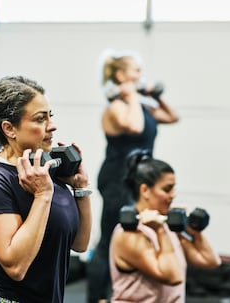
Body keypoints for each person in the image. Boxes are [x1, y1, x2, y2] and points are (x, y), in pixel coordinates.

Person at [0, 75, 92, 303]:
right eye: (40, 119)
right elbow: (16, 266)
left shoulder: (42, 170)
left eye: (50, 116)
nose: (52, 125)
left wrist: (81, 189)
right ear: (9, 128)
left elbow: (79, 243)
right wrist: (43, 195)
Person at [87, 49, 180, 303]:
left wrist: (154, 97)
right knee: (109, 240)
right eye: (137, 71)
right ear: (120, 75)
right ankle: (96, 298)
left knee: (133, 236)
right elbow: (135, 126)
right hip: (117, 179)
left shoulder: (142, 106)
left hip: (139, 180)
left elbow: (173, 117)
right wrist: (132, 98)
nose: (142, 76)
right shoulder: (116, 107)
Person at [109, 149, 221, 302]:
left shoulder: (167, 224)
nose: (173, 194)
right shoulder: (129, 233)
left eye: (174, 188)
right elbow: (173, 276)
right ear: (145, 190)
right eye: (167, 189)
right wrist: (160, 231)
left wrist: (192, 229)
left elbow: (210, 261)